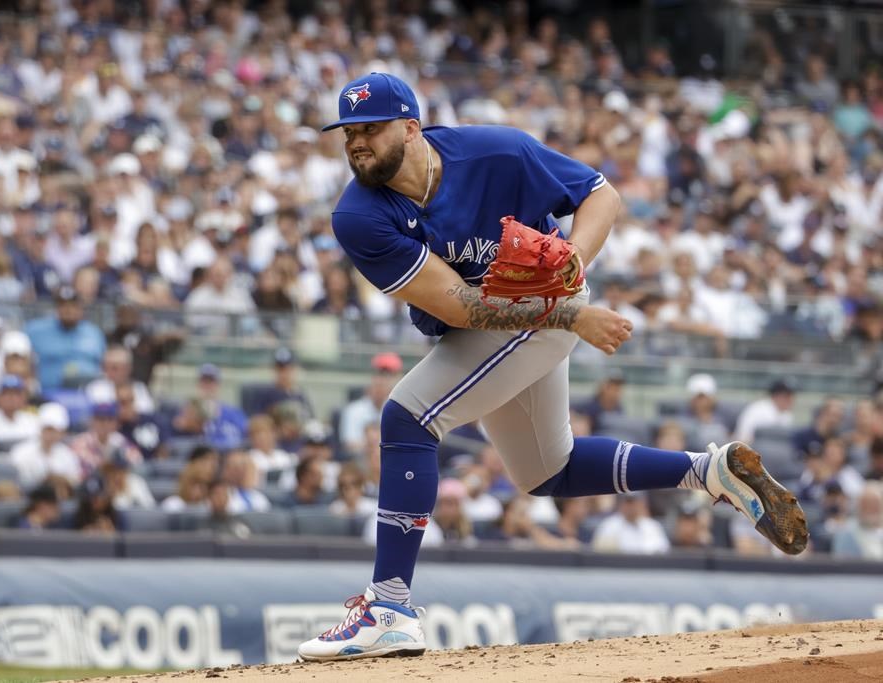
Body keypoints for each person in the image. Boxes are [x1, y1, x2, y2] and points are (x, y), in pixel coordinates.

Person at [300, 72, 807, 662]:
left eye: (370, 128)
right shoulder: (360, 215)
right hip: (505, 320)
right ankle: (710, 471)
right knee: (548, 472)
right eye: (348, 132)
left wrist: (572, 268)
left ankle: (388, 607)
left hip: (548, 307)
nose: (356, 142)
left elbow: (601, 195)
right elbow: (459, 306)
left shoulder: (496, 152)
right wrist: (568, 315)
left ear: (411, 128)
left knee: (408, 418)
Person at [25, 286, 106, 391]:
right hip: (49, 394)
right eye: (63, 305)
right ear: (56, 308)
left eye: (73, 305)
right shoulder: (35, 330)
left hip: (89, 394)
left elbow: (104, 364)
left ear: (81, 308)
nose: (68, 310)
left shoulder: (94, 333)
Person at [338, 352, 402, 458]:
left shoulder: (399, 411)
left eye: (390, 375)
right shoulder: (353, 410)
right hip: (360, 463)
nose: (383, 380)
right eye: (380, 373)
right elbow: (349, 445)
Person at [10, 402, 81, 489]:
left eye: (55, 430)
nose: (51, 434)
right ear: (40, 429)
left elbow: (74, 481)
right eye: (48, 429)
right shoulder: (21, 452)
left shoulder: (67, 454)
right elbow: (19, 483)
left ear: (62, 432)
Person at [591, 492, 671, 554]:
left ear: (642, 503)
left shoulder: (652, 526)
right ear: (621, 503)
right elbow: (599, 553)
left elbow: (663, 552)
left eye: (634, 502)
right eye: (628, 502)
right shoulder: (608, 525)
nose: (631, 506)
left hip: (647, 571)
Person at [84, 346, 155, 414]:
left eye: (114, 368)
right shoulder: (95, 388)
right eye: (105, 368)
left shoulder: (139, 388)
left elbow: (148, 414)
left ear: (128, 369)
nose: (109, 372)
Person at [0, 374, 40, 450]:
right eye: (6, 393)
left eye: (16, 394)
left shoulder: (32, 420)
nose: (11, 397)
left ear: (23, 398)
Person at [734, 379, 796, 444]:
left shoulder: (787, 414)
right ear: (775, 396)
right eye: (786, 396)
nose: (791, 400)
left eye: (791, 396)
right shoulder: (759, 410)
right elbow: (743, 438)